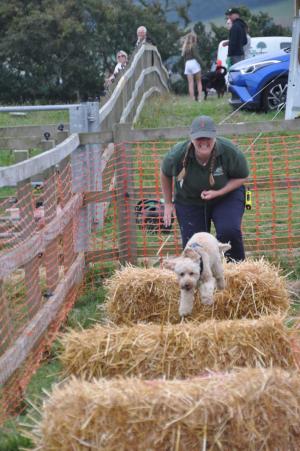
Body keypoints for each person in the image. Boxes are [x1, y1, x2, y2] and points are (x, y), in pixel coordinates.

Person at [160, 115, 249, 261]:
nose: (204, 142)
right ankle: (200, 279)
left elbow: (242, 176)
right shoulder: (177, 154)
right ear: (191, 138)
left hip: (226, 197)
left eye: (208, 137)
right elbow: (165, 173)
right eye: (199, 138)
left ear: (215, 136)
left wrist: (218, 192)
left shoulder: (229, 151)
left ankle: (235, 271)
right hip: (189, 201)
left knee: (229, 231)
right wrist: (168, 203)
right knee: (194, 246)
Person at [181, 32, 203, 101]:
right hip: (194, 63)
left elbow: (184, 58)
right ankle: (200, 98)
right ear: (194, 39)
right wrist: (203, 64)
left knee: (190, 83)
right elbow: (197, 56)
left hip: (187, 64)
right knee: (199, 81)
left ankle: (192, 99)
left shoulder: (184, 47)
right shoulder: (194, 46)